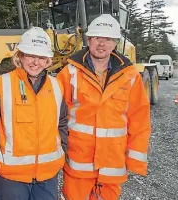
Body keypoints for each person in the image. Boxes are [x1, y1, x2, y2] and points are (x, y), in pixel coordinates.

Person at [57, 14, 151, 199]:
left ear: (115, 42)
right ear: (89, 40)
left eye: (108, 39)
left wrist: (134, 160)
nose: (102, 43)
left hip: (112, 163)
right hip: (78, 162)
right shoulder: (69, 72)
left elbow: (139, 121)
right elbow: (55, 117)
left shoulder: (130, 76)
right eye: (98, 38)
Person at [0, 27, 68, 200]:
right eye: (31, 55)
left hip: (47, 176)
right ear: (21, 56)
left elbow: (62, 123)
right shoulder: (2, 85)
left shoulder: (56, 86)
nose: (35, 62)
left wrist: (62, 149)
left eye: (41, 57)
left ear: (48, 60)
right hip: (10, 178)